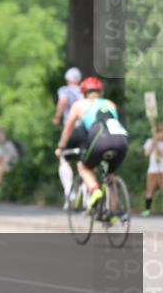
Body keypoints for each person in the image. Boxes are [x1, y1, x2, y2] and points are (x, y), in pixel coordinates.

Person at [55, 76, 129, 212]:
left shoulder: (79, 105)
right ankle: (112, 213)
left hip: (99, 139)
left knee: (83, 167)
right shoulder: (110, 104)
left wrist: (61, 147)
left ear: (83, 92)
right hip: (121, 140)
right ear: (101, 92)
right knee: (111, 175)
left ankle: (94, 190)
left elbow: (68, 129)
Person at [53, 67, 85, 206]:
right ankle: (85, 193)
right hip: (84, 130)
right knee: (83, 161)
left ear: (67, 79)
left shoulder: (64, 90)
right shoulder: (83, 91)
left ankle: (69, 191)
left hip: (70, 129)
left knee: (62, 157)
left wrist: (57, 117)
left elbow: (63, 101)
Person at [142, 122, 163, 217]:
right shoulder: (150, 141)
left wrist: (158, 147)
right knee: (149, 190)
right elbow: (146, 153)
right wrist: (153, 143)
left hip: (162, 170)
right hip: (152, 170)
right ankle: (147, 210)